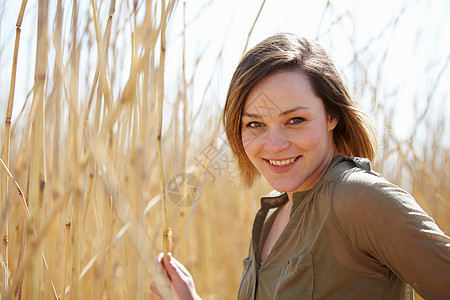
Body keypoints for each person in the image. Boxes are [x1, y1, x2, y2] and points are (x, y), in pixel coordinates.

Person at [150, 33, 450, 299]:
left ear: (332, 115)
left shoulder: (360, 199)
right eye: (255, 124)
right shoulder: (271, 216)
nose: (275, 144)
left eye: (295, 120)